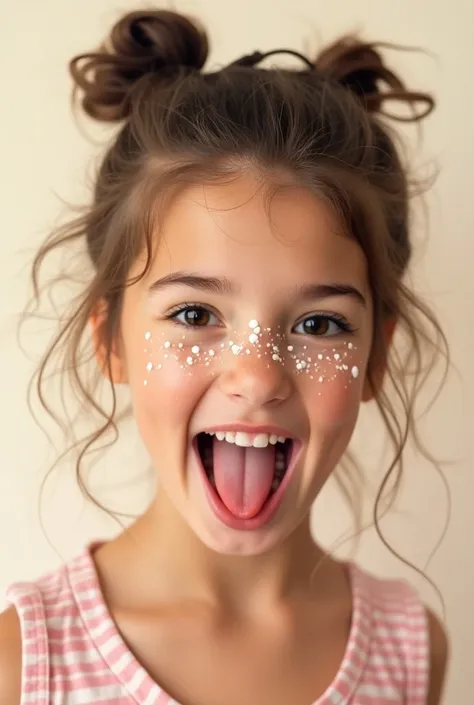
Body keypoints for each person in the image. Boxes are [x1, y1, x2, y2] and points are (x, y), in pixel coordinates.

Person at [0, 8, 449, 704]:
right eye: (194, 313)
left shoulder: (412, 647)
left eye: (321, 324)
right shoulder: (24, 664)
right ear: (110, 339)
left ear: (376, 357)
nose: (258, 376)